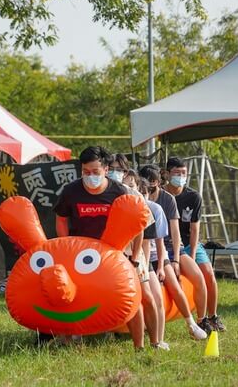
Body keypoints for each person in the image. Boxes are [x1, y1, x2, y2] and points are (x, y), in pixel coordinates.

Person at [54, 146, 152, 350]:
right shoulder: (71, 191)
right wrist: (64, 248)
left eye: (95, 172)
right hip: (80, 253)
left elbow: (137, 225)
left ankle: (140, 346)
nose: (90, 177)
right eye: (85, 172)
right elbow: (61, 219)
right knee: (67, 294)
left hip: (114, 253)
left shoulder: (120, 191)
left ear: (106, 169)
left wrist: (134, 258)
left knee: (133, 297)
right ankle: (67, 342)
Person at [138, 165, 208, 340]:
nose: (148, 190)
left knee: (177, 284)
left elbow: (171, 236)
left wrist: (174, 261)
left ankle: (194, 322)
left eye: (152, 184)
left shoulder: (164, 202)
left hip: (166, 250)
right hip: (143, 252)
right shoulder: (135, 201)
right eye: (144, 187)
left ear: (158, 183)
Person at [164, 157, 226, 332]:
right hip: (168, 244)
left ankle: (212, 317)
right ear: (167, 174)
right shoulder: (161, 195)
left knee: (208, 274)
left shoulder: (193, 196)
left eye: (184, 173)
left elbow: (195, 229)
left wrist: (190, 257)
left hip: (190, 243)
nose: (181, 176)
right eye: (177, 173)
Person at [108, 156, 162, 350]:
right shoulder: (100, 193)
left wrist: (135, 257)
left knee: (145, 296)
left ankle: (155, 341)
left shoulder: (134, 195)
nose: (115, 173)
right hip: (108, 253)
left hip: (132, 253)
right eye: (111, 168)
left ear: (126, 172)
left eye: (119, 169)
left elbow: (141, 229)